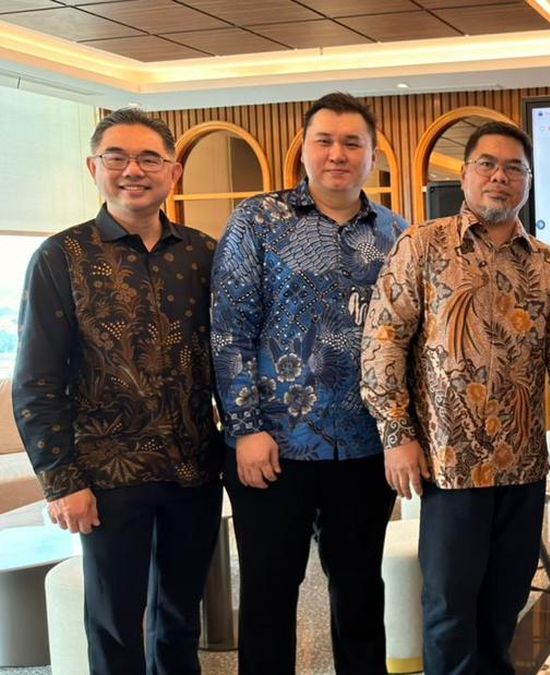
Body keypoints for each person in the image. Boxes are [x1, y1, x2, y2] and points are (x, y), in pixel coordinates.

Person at [360, 121, 550, 674]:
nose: (500, 176)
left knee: (504, 605)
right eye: (487, 164)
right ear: (466, 174)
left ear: (528, 181)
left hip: (522, 465)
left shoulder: (547, 264)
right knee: (449, 611)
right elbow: (383, 342)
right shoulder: (423, 246)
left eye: (514, 167)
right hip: (450, 467)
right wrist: (397, 436)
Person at [13, 108, 223, 674]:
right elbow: (36, 380)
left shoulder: (203, 254)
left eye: (149, 158)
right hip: (106, 475)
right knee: (113, 621)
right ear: (94, 168)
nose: (134, 170)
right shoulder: (60, 257)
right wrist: (62, 481)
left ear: (173, 172)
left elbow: (228, 358)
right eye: (117, 157)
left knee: (180, 618)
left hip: (192, 468)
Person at [210, 92, 407, 674]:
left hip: (365, 448)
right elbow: (229, 331)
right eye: (324, 141)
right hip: (274, 448)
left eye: (352, 143)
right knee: (270, 594)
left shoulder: (397, 234)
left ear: (373, 157)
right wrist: (245, 428)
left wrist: (402, 433)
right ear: (303, 149)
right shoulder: (258, 222)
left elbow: (408, 341)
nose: (337, 154)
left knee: (360, 591)